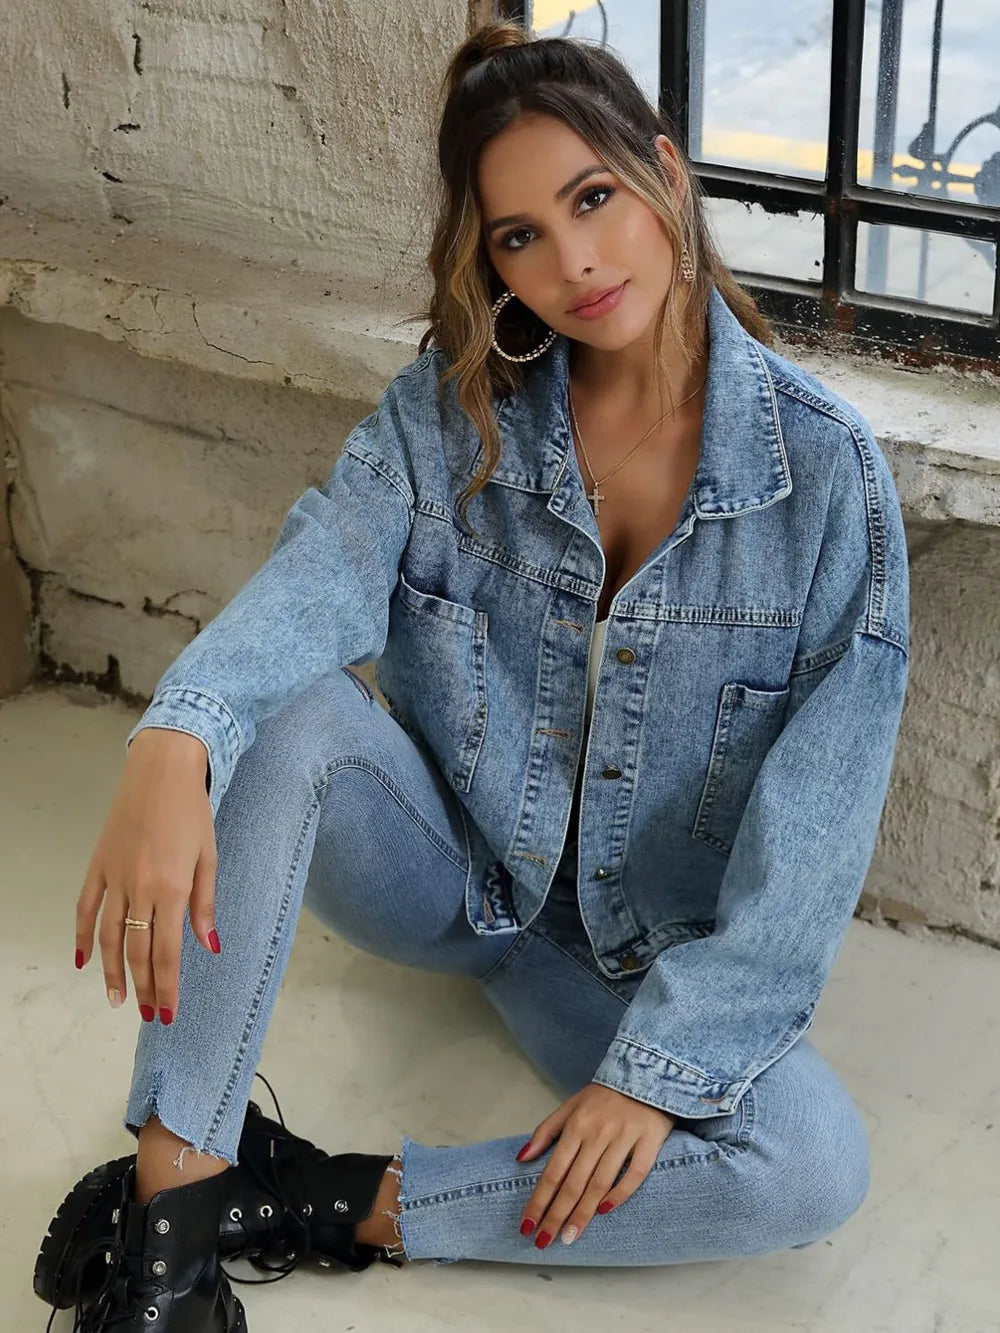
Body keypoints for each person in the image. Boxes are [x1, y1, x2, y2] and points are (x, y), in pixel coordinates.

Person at [35, 18, 910, 1332]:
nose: (572, 263)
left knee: (810, 1162)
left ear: (667, 176)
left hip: (632, 965)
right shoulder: (452, 415)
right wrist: (177, 736)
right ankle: (175, 1224)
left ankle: (335, 1198)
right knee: (282, 711)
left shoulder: (828, 481)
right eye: (520, 235)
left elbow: (815, 843)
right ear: (489, 259)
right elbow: (315, 574)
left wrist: (658, 1070)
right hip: (452, 884)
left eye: (595, 199)